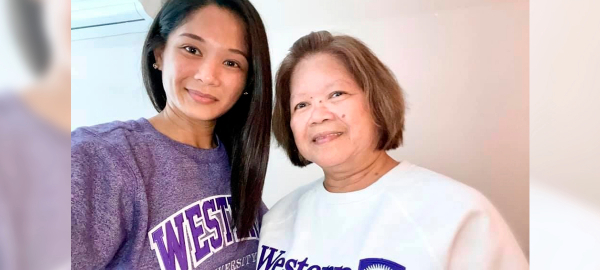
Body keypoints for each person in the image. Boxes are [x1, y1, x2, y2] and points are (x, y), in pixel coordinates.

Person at [259, 31, 528, 270]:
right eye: (302, 105)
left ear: (377, 102)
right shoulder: (278, 217)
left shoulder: (458, 212)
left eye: (336, 94)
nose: (318, 115)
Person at [70, 0, 272, 269]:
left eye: (231, 62)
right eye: (192, 49)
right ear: (159, 54)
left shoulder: (238, 162)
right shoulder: (101, 157)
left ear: (248, 81)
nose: (208, 75)